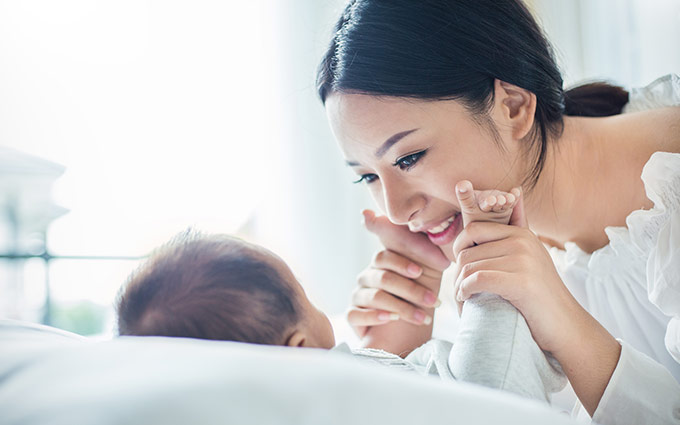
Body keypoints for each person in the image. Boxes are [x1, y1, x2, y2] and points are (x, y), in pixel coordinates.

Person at [315, 0, 680, 424]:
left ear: (513, 106)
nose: (396, 212)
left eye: (409, 157)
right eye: (367, 177)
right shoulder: (482, 257)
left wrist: (565, 322)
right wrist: (403, 357)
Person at [115, 190, 565, 404]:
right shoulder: (327, 383)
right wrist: (484, 263)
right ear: (298, 350)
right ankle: (494, 250)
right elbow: (482, 391)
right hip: (486, 404)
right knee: (489, 377)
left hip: (432, 378)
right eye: (305, 297)